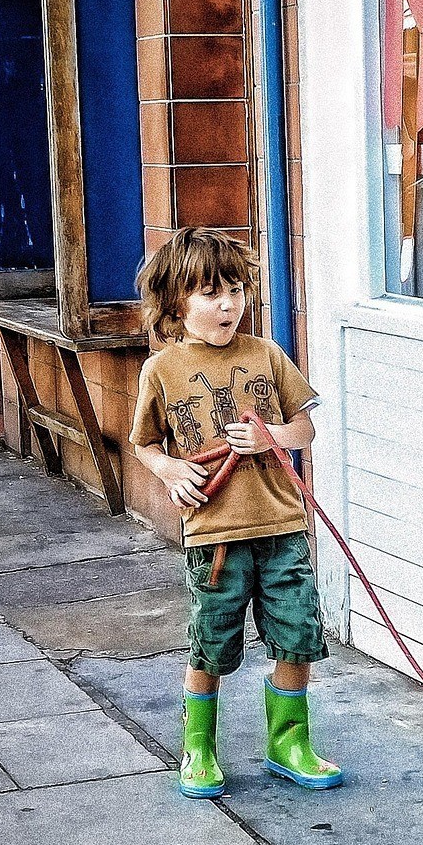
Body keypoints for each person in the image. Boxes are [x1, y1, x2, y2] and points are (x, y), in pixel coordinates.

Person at [130, 227, 342, 799]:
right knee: (212, 644)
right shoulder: (162, 370)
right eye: (210, 294)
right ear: (177, 302)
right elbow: (144, 445)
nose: (228, 304)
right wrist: (172, 471)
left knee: (298, 635)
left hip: (282, 528)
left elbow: (306, 429)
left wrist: (271, 434)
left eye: (236, 289)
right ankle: (198, 748)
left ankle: (289, 743)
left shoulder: (267, 355)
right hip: (214, 538)